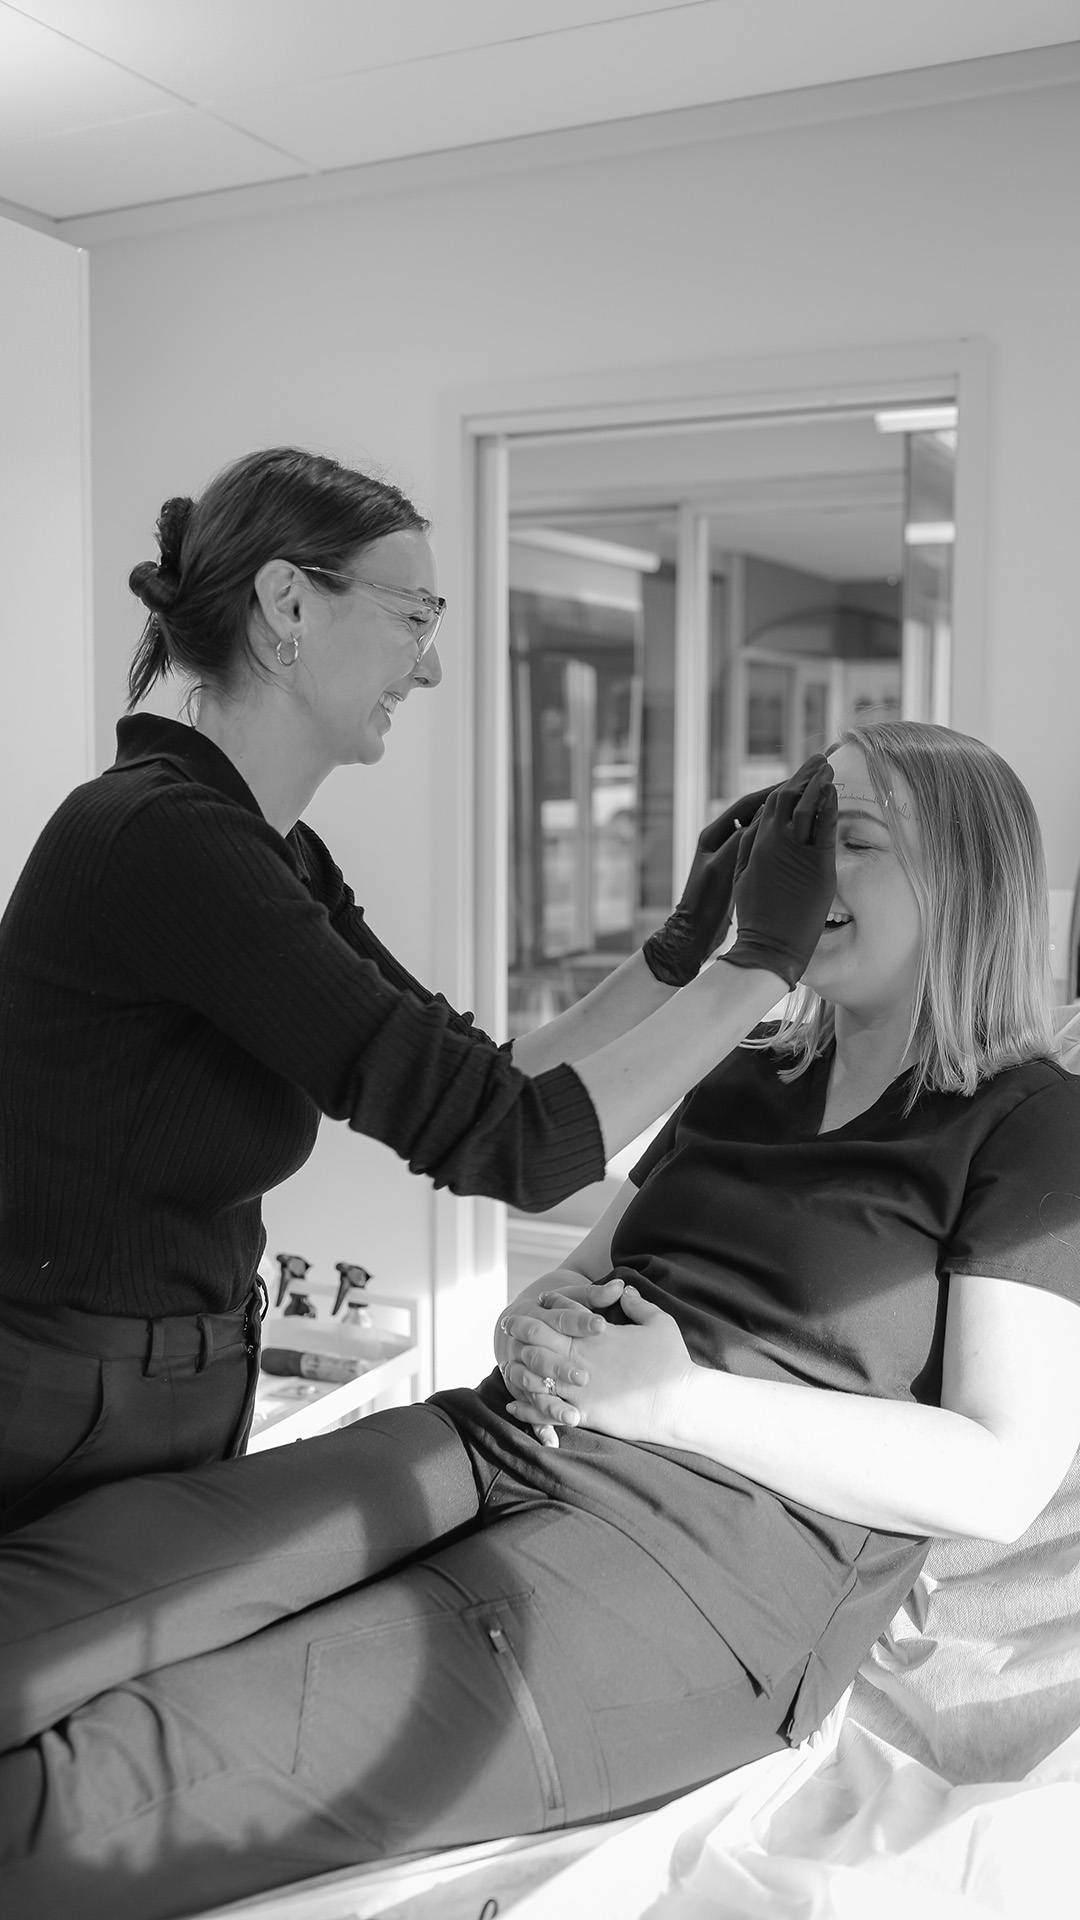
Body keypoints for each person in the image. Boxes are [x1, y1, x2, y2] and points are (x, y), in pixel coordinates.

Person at [1, 719, 1078, 1920]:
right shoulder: (744, 1076)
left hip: (702, 1573)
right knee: (58, 1598)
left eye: (851, 841)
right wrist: (536, 1319)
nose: (809, 869)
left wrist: (681, 1400)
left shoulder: (1033, 1124)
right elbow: (582, 1272)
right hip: (498, 1441)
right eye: (801, 834)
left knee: (114, 1785)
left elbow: (1000, 1474)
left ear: (961, 877)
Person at [0, 445, 830, 1530]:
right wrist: (760, 965)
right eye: (413, 617)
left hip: (173, 1378)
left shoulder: (271, 852)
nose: (429, 668)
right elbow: (514, 1145)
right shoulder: (163, 839)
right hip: (70, 1400)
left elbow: (491, 1081)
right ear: (287, 602)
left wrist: (676, 955)